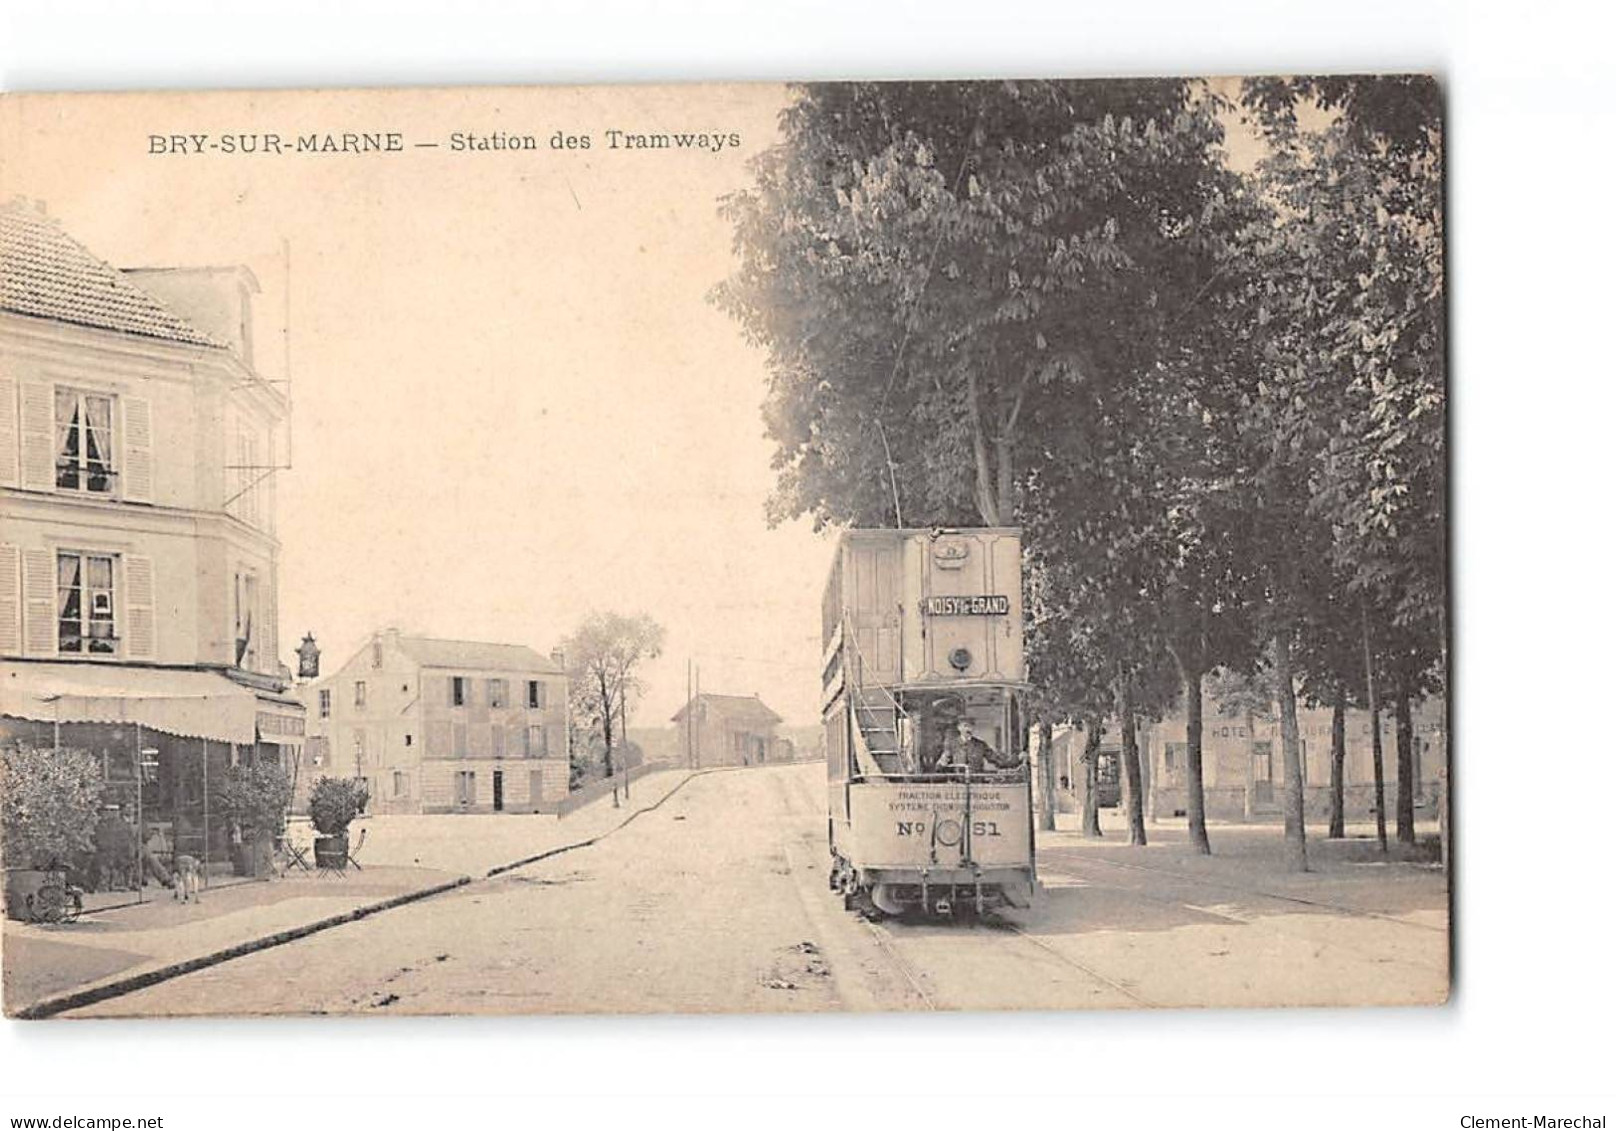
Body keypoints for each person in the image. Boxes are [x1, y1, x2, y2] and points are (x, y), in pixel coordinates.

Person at [938, 719, 1022, 773]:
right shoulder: (951, 744)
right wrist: (941, 764)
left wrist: (1017, 759)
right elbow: (943, 763)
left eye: (970, 726)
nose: (968, 729)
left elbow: (997, 759)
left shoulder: (980, 745)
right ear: (959, 728)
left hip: (977, 785)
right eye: (965, 726)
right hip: (958, 786)